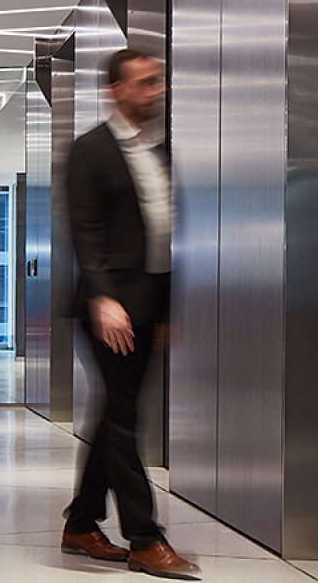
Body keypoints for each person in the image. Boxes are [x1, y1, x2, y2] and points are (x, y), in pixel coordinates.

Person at [59, 49, 200, 579]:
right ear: (116, 90)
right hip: (109, 308)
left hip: (147, 303)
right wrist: (102, 297)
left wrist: (164, 309)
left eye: (156, 82)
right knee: (123, 417)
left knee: (116, 413)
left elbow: (163, 236)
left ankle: (81, 523)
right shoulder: (90, 150)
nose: (154, 91)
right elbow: (85, 230)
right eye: (143, 83)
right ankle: (144, 537)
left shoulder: (158, 152)